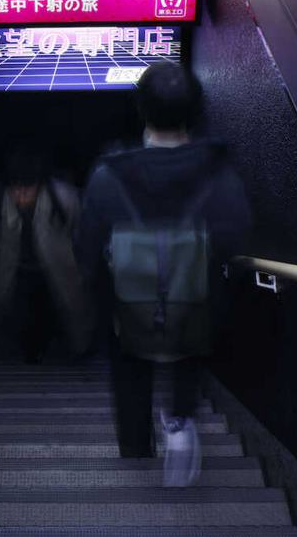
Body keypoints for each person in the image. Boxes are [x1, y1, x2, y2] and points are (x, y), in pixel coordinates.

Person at [76, 62, 251, 467]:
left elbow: (86, 245)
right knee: (190, 346)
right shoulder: (217, 173)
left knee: (129, 364)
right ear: (195, 111)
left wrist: (97, 290)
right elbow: (234, 236)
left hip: (129, 302)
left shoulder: (109, 176)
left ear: (141, 109)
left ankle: (136, 451)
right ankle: (180, 420)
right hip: (193, 299)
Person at [0, 148, 91, 361]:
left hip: (56, 267)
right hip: (15, 268)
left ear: (39, 185)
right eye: (16, 189)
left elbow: (81, 232)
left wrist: (75, 262)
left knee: (64, 312)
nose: (21, 196)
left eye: (27, 190)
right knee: (15, 315)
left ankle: (75, 352)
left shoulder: (63, 196)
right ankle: (12, 354)